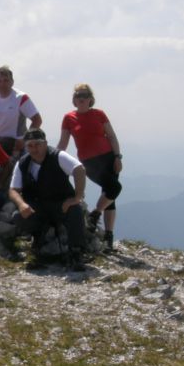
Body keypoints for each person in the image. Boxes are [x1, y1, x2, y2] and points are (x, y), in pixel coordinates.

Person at [8, 128, 87, 270]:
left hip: (61, 204)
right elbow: (13, 190)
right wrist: (21, 204)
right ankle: (38, 237)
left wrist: (77, 197)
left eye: (37, 144)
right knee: (18, 216)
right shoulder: (23, 163)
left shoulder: (58, 156)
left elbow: (79, 169)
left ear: (45, 143)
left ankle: (76, 252)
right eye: (30, 145)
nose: (34, 149)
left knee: (75, 210)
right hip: (38, 207)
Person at [57, 82, 123, 251]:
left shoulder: (99, 114)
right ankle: (95, 214)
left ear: (90, 99)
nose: (81, 98)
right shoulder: (69, 118)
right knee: (114, 188)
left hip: (108, 158)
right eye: (78, 95)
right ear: (74, 99)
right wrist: (54, 159)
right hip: (89, 162)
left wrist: (117, 157)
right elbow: (63, 144)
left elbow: (112, 136)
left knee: (110, 195)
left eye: (84, 95)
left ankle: (108, 236)